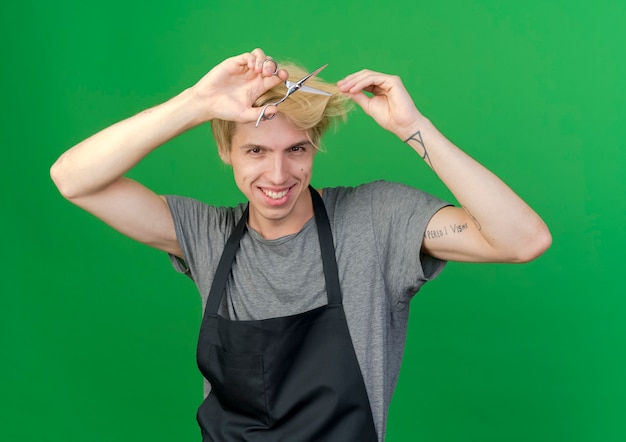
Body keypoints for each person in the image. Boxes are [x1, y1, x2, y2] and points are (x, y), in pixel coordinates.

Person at [50, 48, 551, 441]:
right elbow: (73, 178)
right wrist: (196, 104)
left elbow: (523, 239)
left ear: (315, 146)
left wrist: (412, 128)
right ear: (226, 150)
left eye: (296, 150)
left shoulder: (375, 220)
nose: (277, 174)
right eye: (255, 150)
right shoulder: (206, 236)